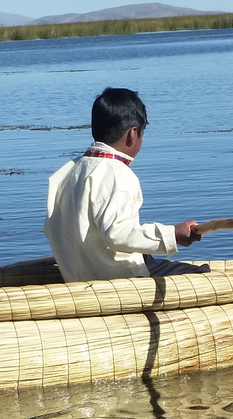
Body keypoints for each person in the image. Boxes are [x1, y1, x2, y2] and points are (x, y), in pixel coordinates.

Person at [44, 87, 209, 282]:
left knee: (154, 261)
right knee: (202, 275)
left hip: (78, 273)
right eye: (142, 133)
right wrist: (172, 234)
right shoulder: (117, 174)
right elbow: (117, 233)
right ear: (133, 134)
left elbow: (52, 229)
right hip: (118, 277)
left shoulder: (66, 173)